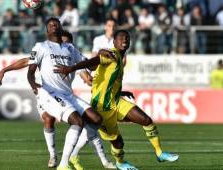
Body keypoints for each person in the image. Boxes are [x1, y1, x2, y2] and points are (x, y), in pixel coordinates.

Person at [54, 30, 179, 170]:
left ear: (130, 42)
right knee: (117, 142)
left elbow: (110, 80)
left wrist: (122, 91)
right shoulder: (111, 55)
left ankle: (159, 153)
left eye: (127, 38)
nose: (124, 39)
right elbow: (91, 64)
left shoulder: (119, 57)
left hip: (117, 101)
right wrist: (71, 68)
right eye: (120, 38)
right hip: (102, 107)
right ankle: (119, 163)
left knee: (146, 120)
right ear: (114, 42)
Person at [0, 29, 115, 169]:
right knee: (49, 118)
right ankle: (53, 155)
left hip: (66, 95)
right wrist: (6, 69)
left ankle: (81, 155)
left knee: (92, 120)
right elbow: (26, 61)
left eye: (65, 42)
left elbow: (86, 73)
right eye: (61, 40)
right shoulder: (46, 50)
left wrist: (90, 78)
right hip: (46, 93)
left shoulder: (71, 54)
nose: (62, 43)